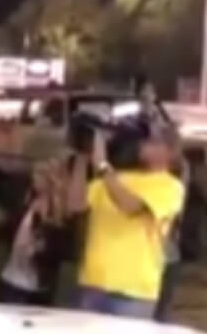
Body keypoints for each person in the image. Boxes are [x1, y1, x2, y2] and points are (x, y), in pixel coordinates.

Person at [77, 126, 184, 319]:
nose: (142, 145)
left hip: (133, 290)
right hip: (94, 283)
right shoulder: (118, 178)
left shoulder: (170, 186)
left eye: (152, 142)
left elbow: (130, 207)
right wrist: (82, 158)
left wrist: (102, 166)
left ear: (170, 152)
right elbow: (74, 204)